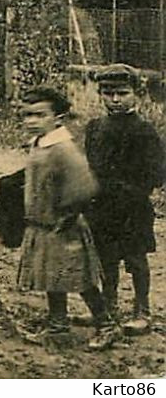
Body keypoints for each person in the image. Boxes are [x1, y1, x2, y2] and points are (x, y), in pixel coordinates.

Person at [16, 86, 120, 350]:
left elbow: (84, 185)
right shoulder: (39, 143)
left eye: (39, 115)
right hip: (43, 225)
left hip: (63, 226)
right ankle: (57, 325)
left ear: (57, 119)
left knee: (80, 279)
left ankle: (106, 324)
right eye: (27, 115)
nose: (31, 121)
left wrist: (69, 212)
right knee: (53, 276)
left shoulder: (62, 148)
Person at [85, 63, 165, 336]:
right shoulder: (95, 127)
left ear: (137, 94)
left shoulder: (144, 131)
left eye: (122, 93)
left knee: (136, 258)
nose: (115, 100)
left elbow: (156, 173)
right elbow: (90, 164)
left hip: (132, 207)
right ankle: (108, 307)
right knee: (105, 259)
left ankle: (142, 311)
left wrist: (131, 189)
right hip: (102, 206)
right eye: (108, 94)